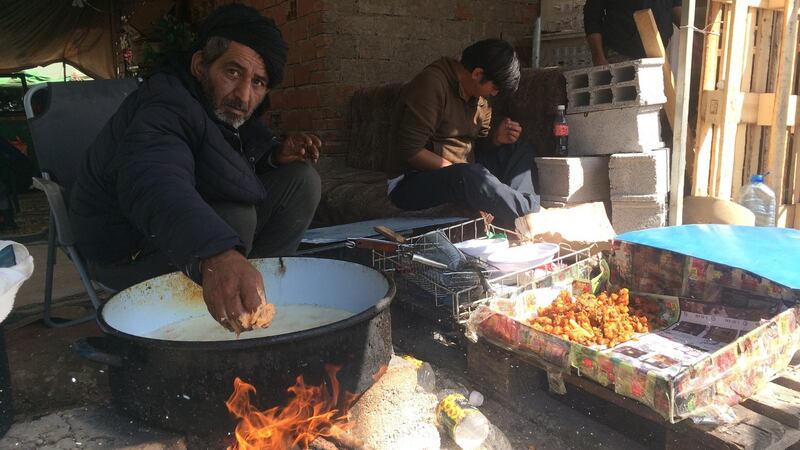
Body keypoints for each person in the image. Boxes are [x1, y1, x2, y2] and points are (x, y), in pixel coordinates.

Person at [69, 4, 321, 332]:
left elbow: (224, 163)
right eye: (233, 72)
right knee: (234, 217)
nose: (244, 95)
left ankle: (255, 302)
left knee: (301, 181)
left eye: (258, 82)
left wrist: (273, 157)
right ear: (200, 64)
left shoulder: (223, 107)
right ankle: (211, 324)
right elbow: (155, 178)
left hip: (180, 237)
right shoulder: (165, 103)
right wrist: (216, 252)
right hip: (126, 251)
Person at [386, 39, 540, 236]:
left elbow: (477, 150)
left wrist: (496, 140)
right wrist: (462, 171)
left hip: (463, 173)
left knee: (520, 149)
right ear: (477, 74)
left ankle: (521, 213)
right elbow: (410, 151)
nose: (495, 93)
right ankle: (532, 215)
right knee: (469, 176)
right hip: (411, 182)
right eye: (495, 87)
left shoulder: (480, 99)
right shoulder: (431, 84)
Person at [584, 0, 682, 66]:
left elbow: (676, 7)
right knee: (625, 96)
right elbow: (592, 17)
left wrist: (692, 35)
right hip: (620, 53)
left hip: (659, 52)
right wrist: (598, 56)